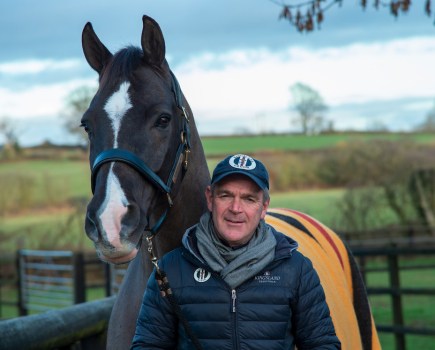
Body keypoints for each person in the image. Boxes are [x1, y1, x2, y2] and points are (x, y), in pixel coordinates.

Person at [131, 154, 341, 349]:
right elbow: (148, 345)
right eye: (226, 195)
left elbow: (322, 344)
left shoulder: (296, 269)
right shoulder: (171, 269)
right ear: (210, 199)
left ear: (264, 207)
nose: (236, 208)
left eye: (249, 199)